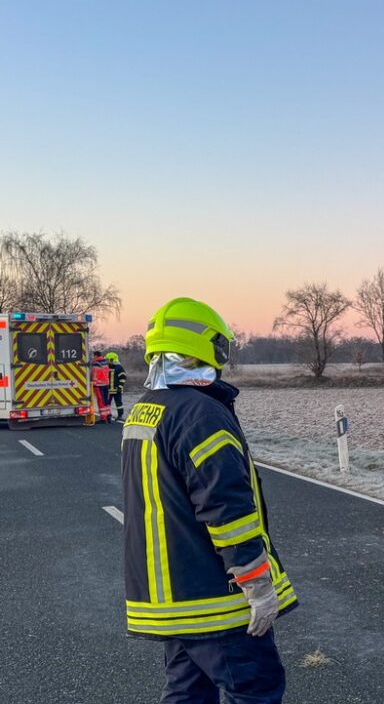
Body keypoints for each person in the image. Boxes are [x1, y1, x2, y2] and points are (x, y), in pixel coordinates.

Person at [122, 297, 297, 703]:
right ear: (204, 347)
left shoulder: (145, 411)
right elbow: (226, 507)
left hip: (172, 599)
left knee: (188, 693)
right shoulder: (201, 414)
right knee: (256, 687)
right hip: (213, 599)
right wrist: (256, 583)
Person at [106, 351, 127, 421]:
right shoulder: (106, 367)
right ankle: (108, 416)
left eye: (108, 360)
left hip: (117, 389)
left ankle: (120, 416)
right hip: (108, 390)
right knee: (107, 404)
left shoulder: (119, 367)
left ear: (112, 360)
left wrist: (120, 387)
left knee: (119, 403)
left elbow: (123, 378)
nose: (107, 361)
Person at [91, 352, 111, 420]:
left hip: (99, 385)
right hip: (106, 383)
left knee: (101, 401)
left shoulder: (97, 363)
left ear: (96, 355)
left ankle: (103, 417)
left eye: (93, 356)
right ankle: (108, 415)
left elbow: (95, 374)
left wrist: (93, 383)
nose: (93, 357)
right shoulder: (105, 362)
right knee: (106, 400)